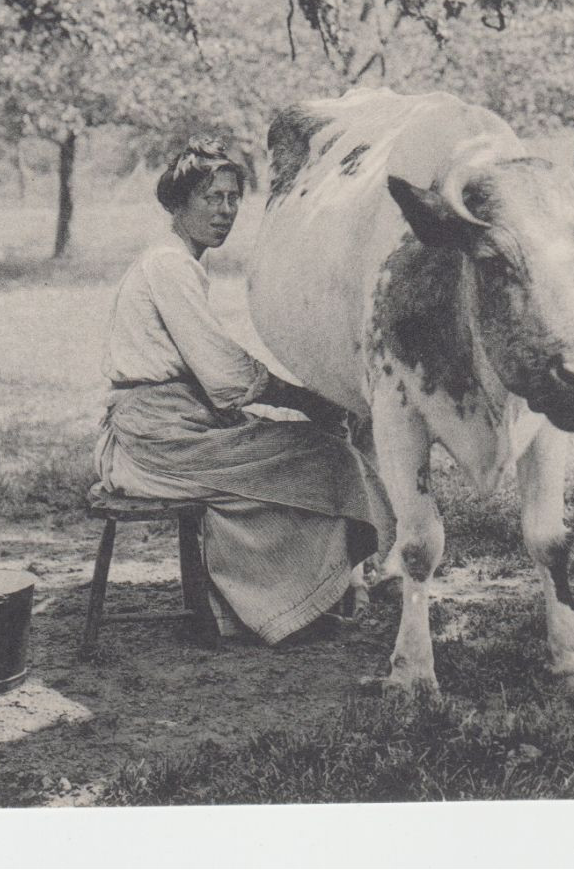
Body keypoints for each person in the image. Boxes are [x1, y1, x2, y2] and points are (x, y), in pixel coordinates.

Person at [94, 137, 394, 643]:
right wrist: (305, 399)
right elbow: (223, 371)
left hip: (174, 424)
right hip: (158, 438)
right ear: (178, 203)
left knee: (301, 450)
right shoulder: (167, 264)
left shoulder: (181, 261)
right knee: (326, 457)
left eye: (234, 199)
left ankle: (281, 601)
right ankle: (283, 608)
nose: (226, 211)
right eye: (212, 198)